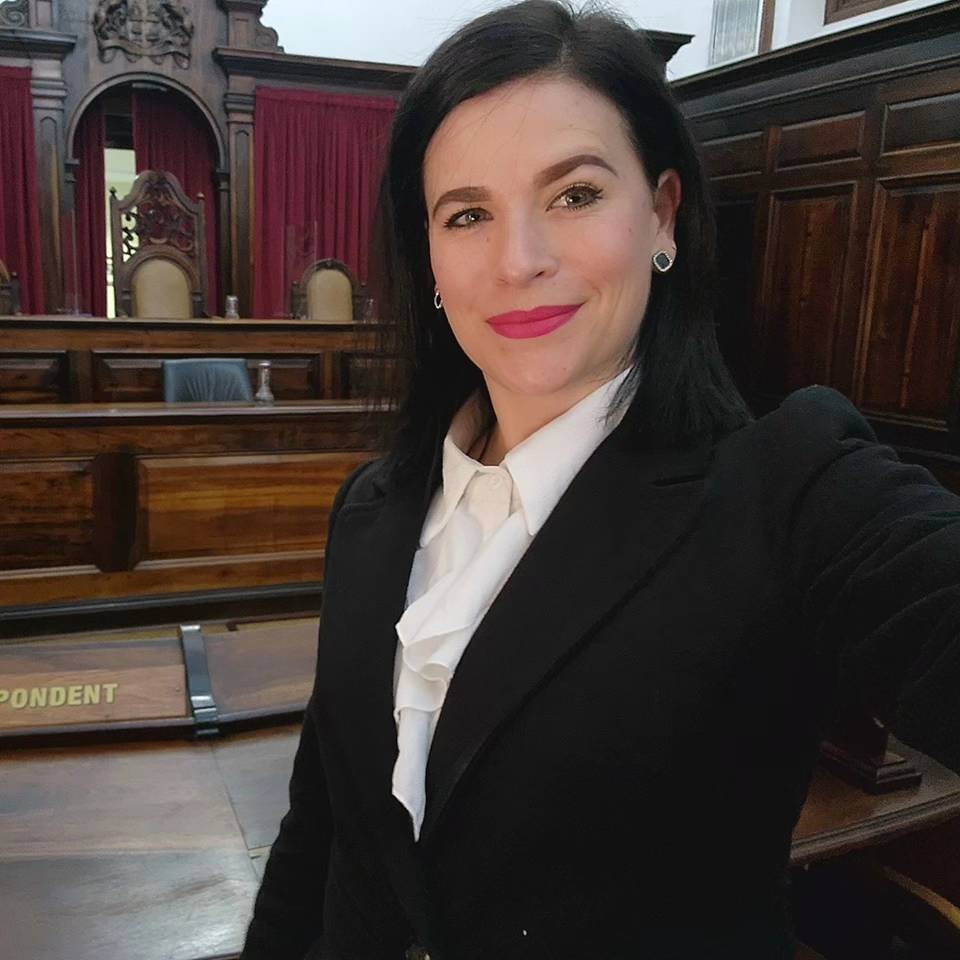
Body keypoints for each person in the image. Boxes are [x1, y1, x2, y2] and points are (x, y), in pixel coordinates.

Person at [240, 2, 960, 958]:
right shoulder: (370, 511)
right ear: (429, 260)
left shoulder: (787, 489)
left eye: (574, 195)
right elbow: (321, 832)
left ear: (662, 213)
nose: (520, 261)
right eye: (468, 215)